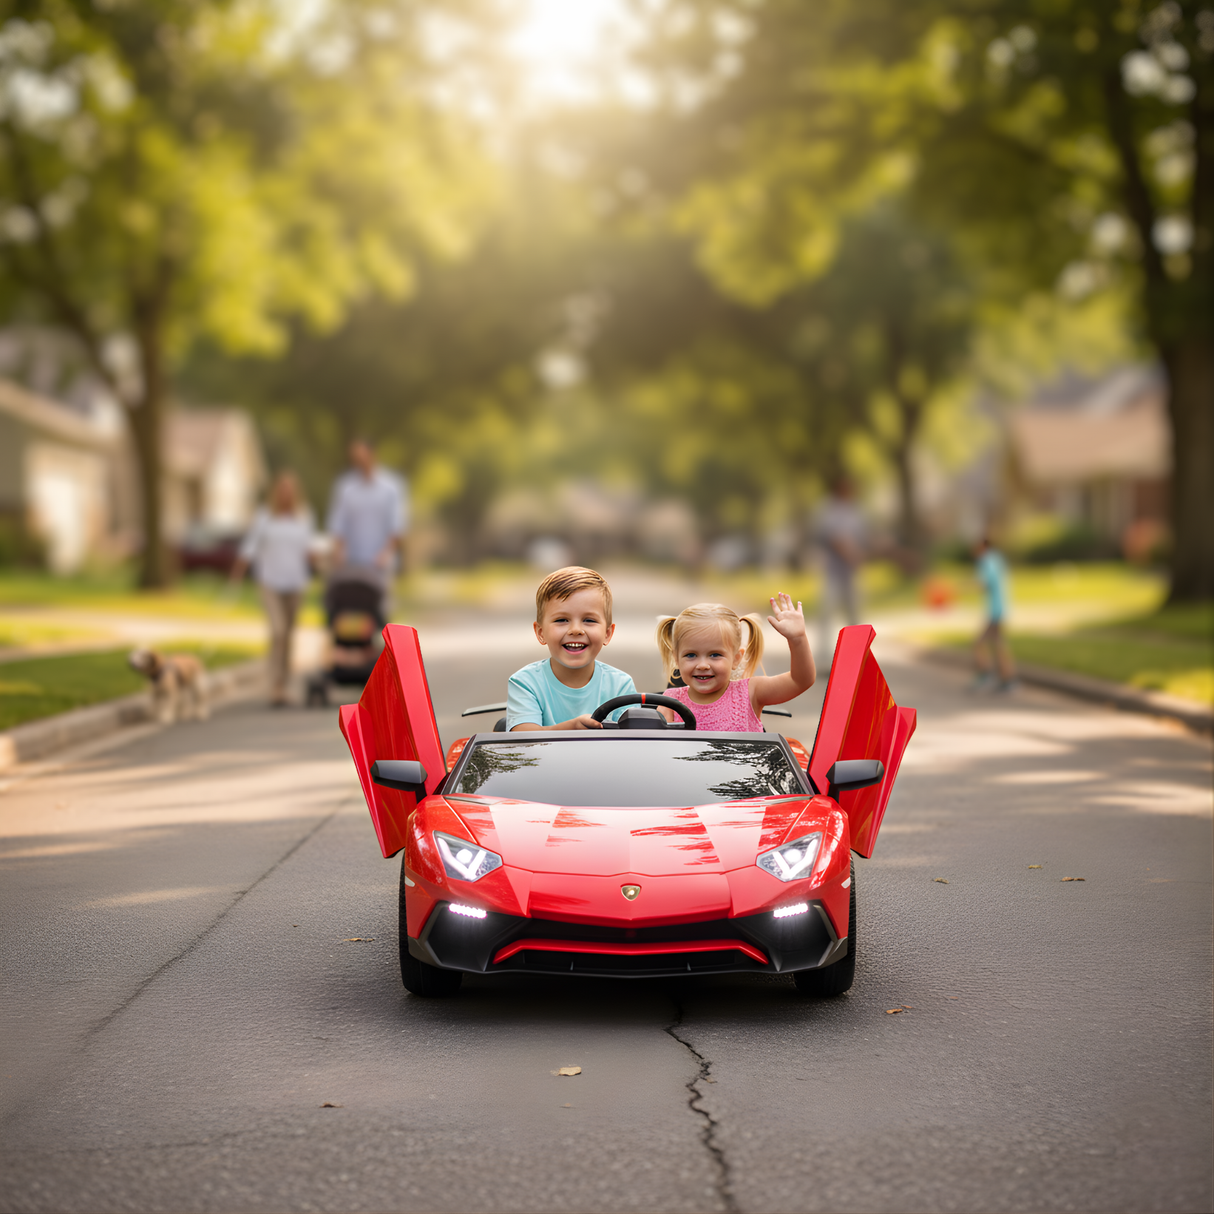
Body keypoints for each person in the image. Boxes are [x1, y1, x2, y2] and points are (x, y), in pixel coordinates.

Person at [656, 596, 816, 731]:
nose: (702, 665)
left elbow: (800, 681)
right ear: (676, 659)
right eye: (691, 655)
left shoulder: (751, 692)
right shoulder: (670, 702)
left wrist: (797, 639)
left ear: (736, 658)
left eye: (715, 655)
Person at [507, 567, 637, 731]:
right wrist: (572, 728)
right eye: (562, 620)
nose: (576, 630)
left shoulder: (621, 685)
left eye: (589, 620)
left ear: (607, 633)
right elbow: (522, 738)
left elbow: (632, 741)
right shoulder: (525, 683)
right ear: (541, 633)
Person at [231, 471, 315, 707]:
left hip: (296, 582)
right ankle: (273, 686)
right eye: (282, 489)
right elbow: (250, 546)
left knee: (288, 635)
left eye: (290, 490)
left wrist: (318, 560)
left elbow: (309, 547)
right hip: (269, 581)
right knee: (277, 631)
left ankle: (283, 685)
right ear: (276, 492)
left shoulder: (304, 516)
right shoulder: (265, 516)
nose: (286, 494)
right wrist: (238, 573)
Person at [326, 439, 407, 575]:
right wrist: (338, 552)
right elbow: (338, 524)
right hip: (351, 563)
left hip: (381, 565)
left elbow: (397, 525)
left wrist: (386, 554)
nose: (357, 461)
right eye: (354, 458)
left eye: (361, 456)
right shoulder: (344, 486)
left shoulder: (392, 486)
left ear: (372, 454)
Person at [815, 476, 865, 654]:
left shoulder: (854, 511)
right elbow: (833, 538)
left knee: (854, 615)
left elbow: (861, 538)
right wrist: (851, 554)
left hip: (850, 572)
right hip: (833, 571)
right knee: (827, 613)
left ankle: (856, 656)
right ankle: (823, 656)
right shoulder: (829, 509)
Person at [973, 535, 1016, 691]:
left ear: (983, 546)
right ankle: (1008, 679)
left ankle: (986, 675)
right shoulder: (997, 559)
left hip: (995, 610)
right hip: (1001, 608)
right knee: (999, 644)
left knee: (979, 643)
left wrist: (964, 587)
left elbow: (984, 584)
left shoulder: (987, 561)